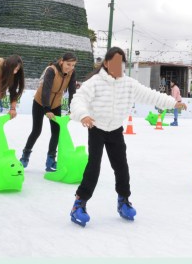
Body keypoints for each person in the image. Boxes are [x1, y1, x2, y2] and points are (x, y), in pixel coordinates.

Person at [67, 47, 185, 225]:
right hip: (96, 128)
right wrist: (83, 115)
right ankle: (79, 203)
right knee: (93, 167)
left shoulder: (129, 83)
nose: (117, 66)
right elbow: (78, 99)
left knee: (121, 167)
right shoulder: (95, 82)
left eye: (121, 63)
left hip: (115, 129)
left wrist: (172, 103)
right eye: (114, 62)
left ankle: (123, 200)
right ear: (106, 63)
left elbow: (150, 95)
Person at [20, 52, 77, 172]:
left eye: (73, 65)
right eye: (68, 64)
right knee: (36, 130)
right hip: (41, 102)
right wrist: (47, 109)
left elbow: (72, 91)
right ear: (62, 61)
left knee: (56, 131)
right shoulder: (51, 70)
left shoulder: (72, 72)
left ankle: (50, 160)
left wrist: (73, 108)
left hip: (56, 103)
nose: (70, 67)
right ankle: (25, 156)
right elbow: (46, 89)